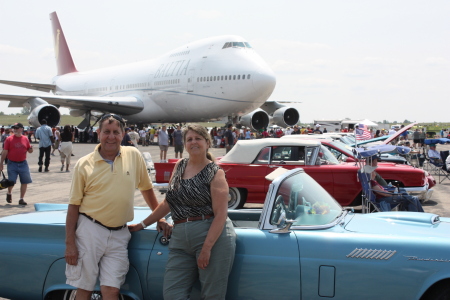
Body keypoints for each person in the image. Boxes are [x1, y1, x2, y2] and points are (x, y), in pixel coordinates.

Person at [65, 114, 171, 300]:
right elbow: (73, 206)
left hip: (120, 234)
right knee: (84, 288)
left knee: (112, 290)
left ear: (123, 134)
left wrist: (159, 217)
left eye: (116, 132)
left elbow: (146, 189)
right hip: (90, 231)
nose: (111, 137)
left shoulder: (133, 155)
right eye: (106, 132)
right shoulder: (84, 164)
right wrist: (70, 244)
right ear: (98, 133)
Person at [129, 124, 236, 299]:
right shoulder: (180, 165)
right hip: (180, 238)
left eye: (198, 138)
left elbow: (221, 215)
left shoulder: (215, 173)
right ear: (184, 144)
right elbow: (169, 202)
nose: (193, 142)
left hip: (211, 236)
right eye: (189, 139)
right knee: (172, 293)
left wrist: (207, 248)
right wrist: (141, 224)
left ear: (207, 143)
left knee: (211, 295)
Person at [0, 123, 33, 205]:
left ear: (21, 129)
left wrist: (31, 149)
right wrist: (1, 163)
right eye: (14, 128)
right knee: (11, 181)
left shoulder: (25, 139)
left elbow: (30, 150)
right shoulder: (9, 139)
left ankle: (21, 199)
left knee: (24, 181)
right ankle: (9, 193)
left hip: (23, 163)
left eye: (17, 128)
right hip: (12, 163)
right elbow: (5, 151)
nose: (15, 129)